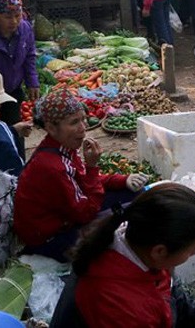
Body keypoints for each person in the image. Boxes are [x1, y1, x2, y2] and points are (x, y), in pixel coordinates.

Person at [58, 183, 195, 327]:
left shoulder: (140, 243)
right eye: (191, 248)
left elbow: (170, 287)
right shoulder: (121, 307)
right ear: (159, 251)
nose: (194, 253)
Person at [13, 90, 148, 262]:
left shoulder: (64, 149)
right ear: (51, 128)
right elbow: (85, 213)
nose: (82, 128)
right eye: (74, 122)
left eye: (83, 119)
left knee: (138, 194)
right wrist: (92, 167)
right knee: (130, 214)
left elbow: (81, 180)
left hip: (66, 218)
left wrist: (123, 180)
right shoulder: (52, 166)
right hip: (50, 240)